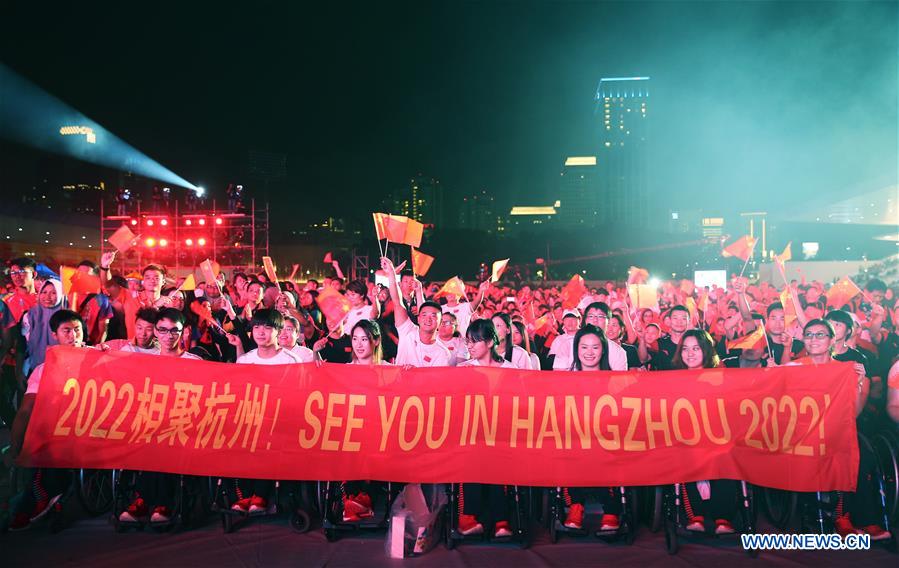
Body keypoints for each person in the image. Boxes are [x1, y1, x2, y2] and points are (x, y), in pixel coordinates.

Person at [786, 318, 887, 540]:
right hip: (804, 432)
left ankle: (866, 518)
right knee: (838, 448)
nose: (813, 339)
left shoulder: (845, 370)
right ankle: (843, 516)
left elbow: (855, 412)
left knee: (862, 452)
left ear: (832, 340)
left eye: (820, 334)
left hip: (839, 429)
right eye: (809, 335)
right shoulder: (793, 368)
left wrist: (860, 384)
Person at [8, 310, 86, 530]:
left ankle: (36, 502)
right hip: (54, 432)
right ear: (55, 335)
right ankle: (41, 499)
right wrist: (16, 444)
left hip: (87, 430)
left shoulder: (97, 361)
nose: (73, 336)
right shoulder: (43, 371)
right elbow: (25, 410)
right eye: (66, 331)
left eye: (77, 330)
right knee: (41, 445)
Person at [672, 329, 741, 535]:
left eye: (696, 348)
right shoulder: (672, 380)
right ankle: (696, 515)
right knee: (682, 456)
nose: (690, 353)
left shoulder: (721, 376)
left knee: (725, 456)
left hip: (716, 437)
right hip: (686, 439)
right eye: (685, 349)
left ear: (706, 351)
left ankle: (723, 517)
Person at [557, 326, 622, 532]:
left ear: (603, 350)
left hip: (606, 439)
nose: (589, 352)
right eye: (584, 347)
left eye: (595, 347)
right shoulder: (564, 380)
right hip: (575, 439)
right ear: (577, 350)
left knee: (607, 452)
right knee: (566, 451)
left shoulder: (615, 381)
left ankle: (611, 510)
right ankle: (575, 505)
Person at [455, 319, 515, 538]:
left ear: (490, 342)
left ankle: (502, 518)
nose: (470, 347)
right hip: (471, 435)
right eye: (468, 342)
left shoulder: (510, 369)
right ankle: (469, 517)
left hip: (502, 435)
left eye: (475, 341)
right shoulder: (463, 369)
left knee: (500, 458)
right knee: (470, 456)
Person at [381, 257, 451, 367]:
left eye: (433, 316)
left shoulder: (442, 353)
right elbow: (397, 303)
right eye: (424, 315)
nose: (428, 319)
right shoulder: (408, 331)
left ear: (440, 322)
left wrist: (415, 373)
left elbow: (436, 381)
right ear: (418, 318)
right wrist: (391, 273)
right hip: (398, 383)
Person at [21, 279, 65, 376]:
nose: (47, 297)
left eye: (53, 293)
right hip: (35, 369)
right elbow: (24, 344)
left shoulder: (67, 317)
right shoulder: (30, 316)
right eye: (44, 292)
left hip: (61, 370)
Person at [582, 302, 628, 371]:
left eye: (600, 316)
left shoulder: (617, 351)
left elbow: (620, 380)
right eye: (591, 316)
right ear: (585, 320)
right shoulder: (571, 344)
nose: (595, 320)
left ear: (608, 321)